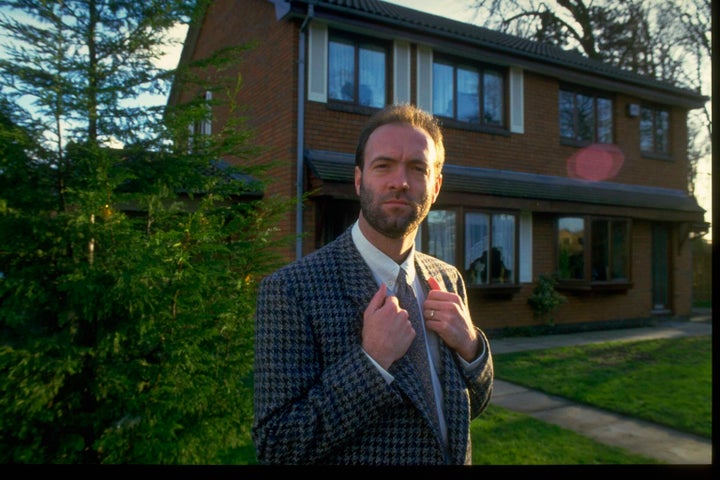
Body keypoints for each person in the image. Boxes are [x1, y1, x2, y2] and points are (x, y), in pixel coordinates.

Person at [252, 103, 494, 465]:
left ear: (436, 185)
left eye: (418, 168)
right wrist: (371, 364)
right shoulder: (291, 290)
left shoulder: (447, 279)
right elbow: (278, 446)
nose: (401, 181)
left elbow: (467, 407)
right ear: (359, 179)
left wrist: (473, 350)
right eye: (384, 166)